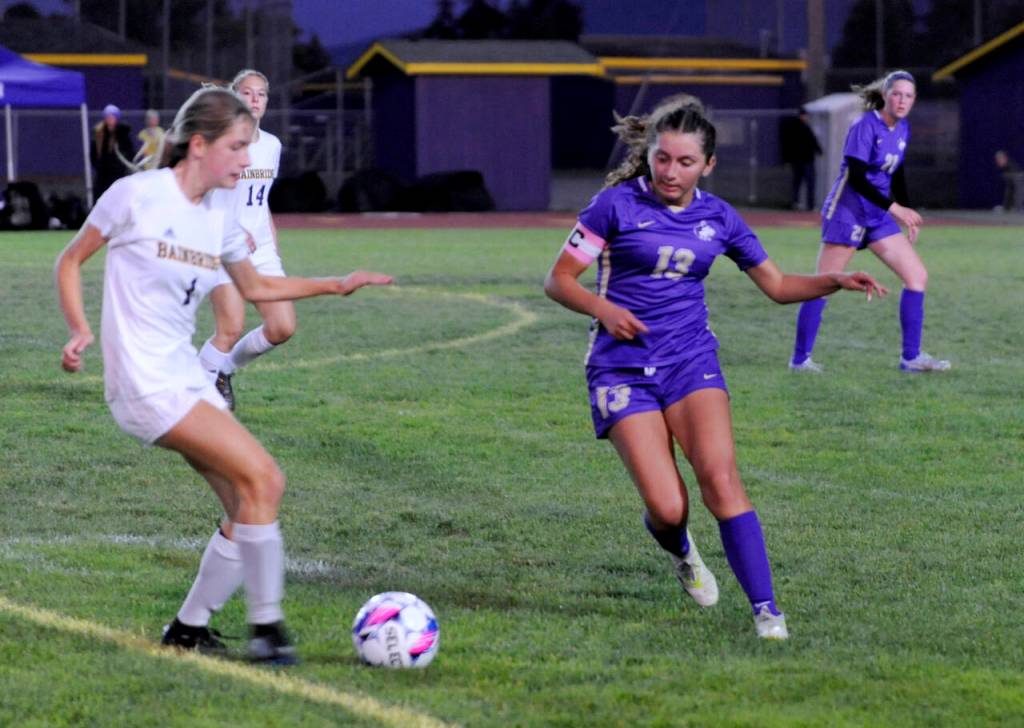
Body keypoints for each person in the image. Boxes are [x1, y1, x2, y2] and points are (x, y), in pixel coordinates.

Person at [55, 86, 392, 663]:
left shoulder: (220, 217)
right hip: (143, 383)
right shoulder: (137, 195)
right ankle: (268, 631)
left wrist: (336, 285)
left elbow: (257, 286)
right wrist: (79, 328)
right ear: (199, 144)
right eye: (236, 147)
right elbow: (70, 259)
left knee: (247, 503)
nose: (245, 159)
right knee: (265, 478)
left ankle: (187, 630)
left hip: (183, 378)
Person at [543, 95, 885, 640]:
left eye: (685, 162)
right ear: (649, 155)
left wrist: (834, 280)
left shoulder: (719, 217)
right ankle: (680, 549)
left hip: (690, 361)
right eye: (662, 158)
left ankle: (767, 613)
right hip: (621, 369)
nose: (670, 171)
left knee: (721, 481)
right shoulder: (613, 205)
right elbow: (558, 280)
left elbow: (777, 286)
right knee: (667, 507)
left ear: (708, 165)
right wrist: (603, 309)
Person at [790, 70, 950, 374]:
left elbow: (896, 172)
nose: (902, 100)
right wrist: (895, 209)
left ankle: (911, 358)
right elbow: (858, 179)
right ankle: (799, 360)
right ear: (886, 95)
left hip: (877, 215)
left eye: (908, 96)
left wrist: (906, 209)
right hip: (847, 212)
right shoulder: (865, 126)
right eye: (897, 94)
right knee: (822, 286)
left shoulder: (903, 128)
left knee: (917, 276)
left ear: (914, 100)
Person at [197, 69, 286, 410]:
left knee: (281, 327)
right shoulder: (221, 143)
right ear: (236, 96)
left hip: (261, 251)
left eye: (261, 94)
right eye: (247, 93)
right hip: (224, 247)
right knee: (230, 329)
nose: (255, 99)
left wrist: (272, 245)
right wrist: (235, 229)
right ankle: (196, 396)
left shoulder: (272, 145)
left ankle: (223, 371)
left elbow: (261, 202)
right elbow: (204, 198)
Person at [780, 105, 822, 211]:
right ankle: (810, 205)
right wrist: (819, 150)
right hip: (806, 160)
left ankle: (796, 202)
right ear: (802, 116)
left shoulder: (792, 128)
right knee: (809, 183)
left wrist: (787, 159)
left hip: (797, 161)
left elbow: (787, 145)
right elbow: (812, 142)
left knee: (797, 183)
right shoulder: (805, 128)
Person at [90, 104, 134, 200]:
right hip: (103, 174)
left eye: (112, 117)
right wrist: (99, 166)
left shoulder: (122, 134)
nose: (109, 120)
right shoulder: (99, 133)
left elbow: (130, 152)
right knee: (100, 197)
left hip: (118, 174)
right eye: (107, 117)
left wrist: (122, 167)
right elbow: (93, 154)